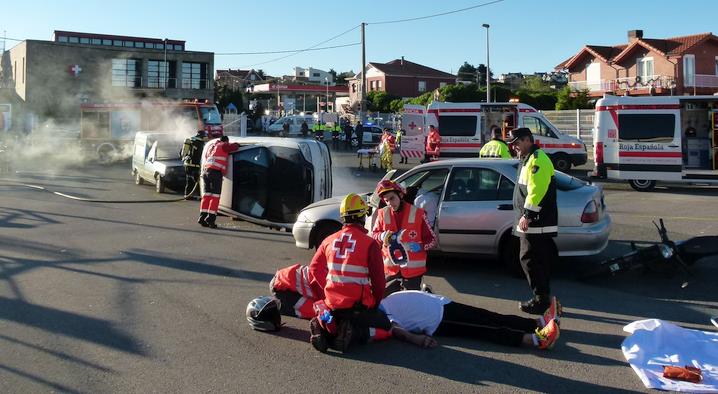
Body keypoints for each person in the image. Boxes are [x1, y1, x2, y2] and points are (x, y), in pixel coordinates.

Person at [308, 193, 388, 353]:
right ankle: (353, 334)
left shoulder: (328, 240)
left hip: (332, 305)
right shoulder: (370, 244)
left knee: (335, 318)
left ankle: (326, 331)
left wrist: (325, 294)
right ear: (362, 217)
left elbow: (313, 269)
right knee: (386, 326)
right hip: (357, 308)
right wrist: (376, 303)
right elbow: (379, 282)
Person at [381, 290, 561, 350]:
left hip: (443, 305)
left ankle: (538, 323)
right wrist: (417, 339)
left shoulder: (383, 299)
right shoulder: (381, 312)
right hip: (439, 320)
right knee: (486, 329)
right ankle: (536, 340)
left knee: (492, 317)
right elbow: (395, 328)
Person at [508, 127, 559, 315]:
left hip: (536, 222)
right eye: (512, 145)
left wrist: (527, 215)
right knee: (537, 260)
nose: (515, 148)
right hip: (534, 222)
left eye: (517, 143)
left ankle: (541, 300)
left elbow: (537, 191)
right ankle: (545, 298)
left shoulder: (538, 160)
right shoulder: (529, 159)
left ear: (528, 140)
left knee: (529, 259)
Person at [372, 180, 436, 295]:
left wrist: (421, 246)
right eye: (386, 200)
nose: (390, 203)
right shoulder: (382, 214)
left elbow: (432, 240)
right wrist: (381, 236)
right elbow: (374, 235)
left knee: (410, 303)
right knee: (385, 300)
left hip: (413, 271)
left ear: (400, 195)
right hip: (391, 269)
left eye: (392, 198)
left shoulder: (419, 214)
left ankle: (425, 292)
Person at [198, 135, 240, 228]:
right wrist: (237, 143)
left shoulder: (212, 147)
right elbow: (235, 147)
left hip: (206, 172)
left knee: (206, 196)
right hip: (215, 173)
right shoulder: (224, 145)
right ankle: (210, 219)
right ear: (226, 141)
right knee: (215, 197)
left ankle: (202, 217)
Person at [180, 130, 208, 199]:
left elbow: (182, 153)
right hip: (195, 165)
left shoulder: (191, 141)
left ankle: (188, 195)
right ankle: (200, 196)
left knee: (190, 181)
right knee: (198, 181)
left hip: (188, 164)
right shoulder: (199, 143)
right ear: (202, 136)